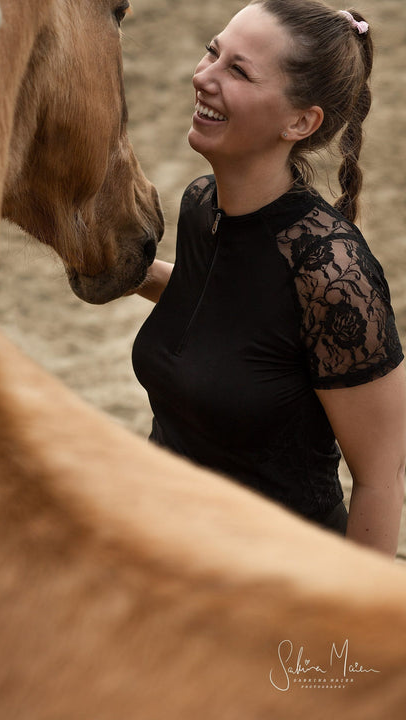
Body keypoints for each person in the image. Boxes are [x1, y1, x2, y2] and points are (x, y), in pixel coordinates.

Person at [131, 0, 406, 556]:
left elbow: (380, 479)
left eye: (238, 70)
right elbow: (223, 307)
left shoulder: (331, 272)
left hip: (279, 577)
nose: (202, 76)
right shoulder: (201, 206)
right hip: (168, 552)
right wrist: (120, 268)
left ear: (300, 122)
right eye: (213, 51)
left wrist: (353, 627)